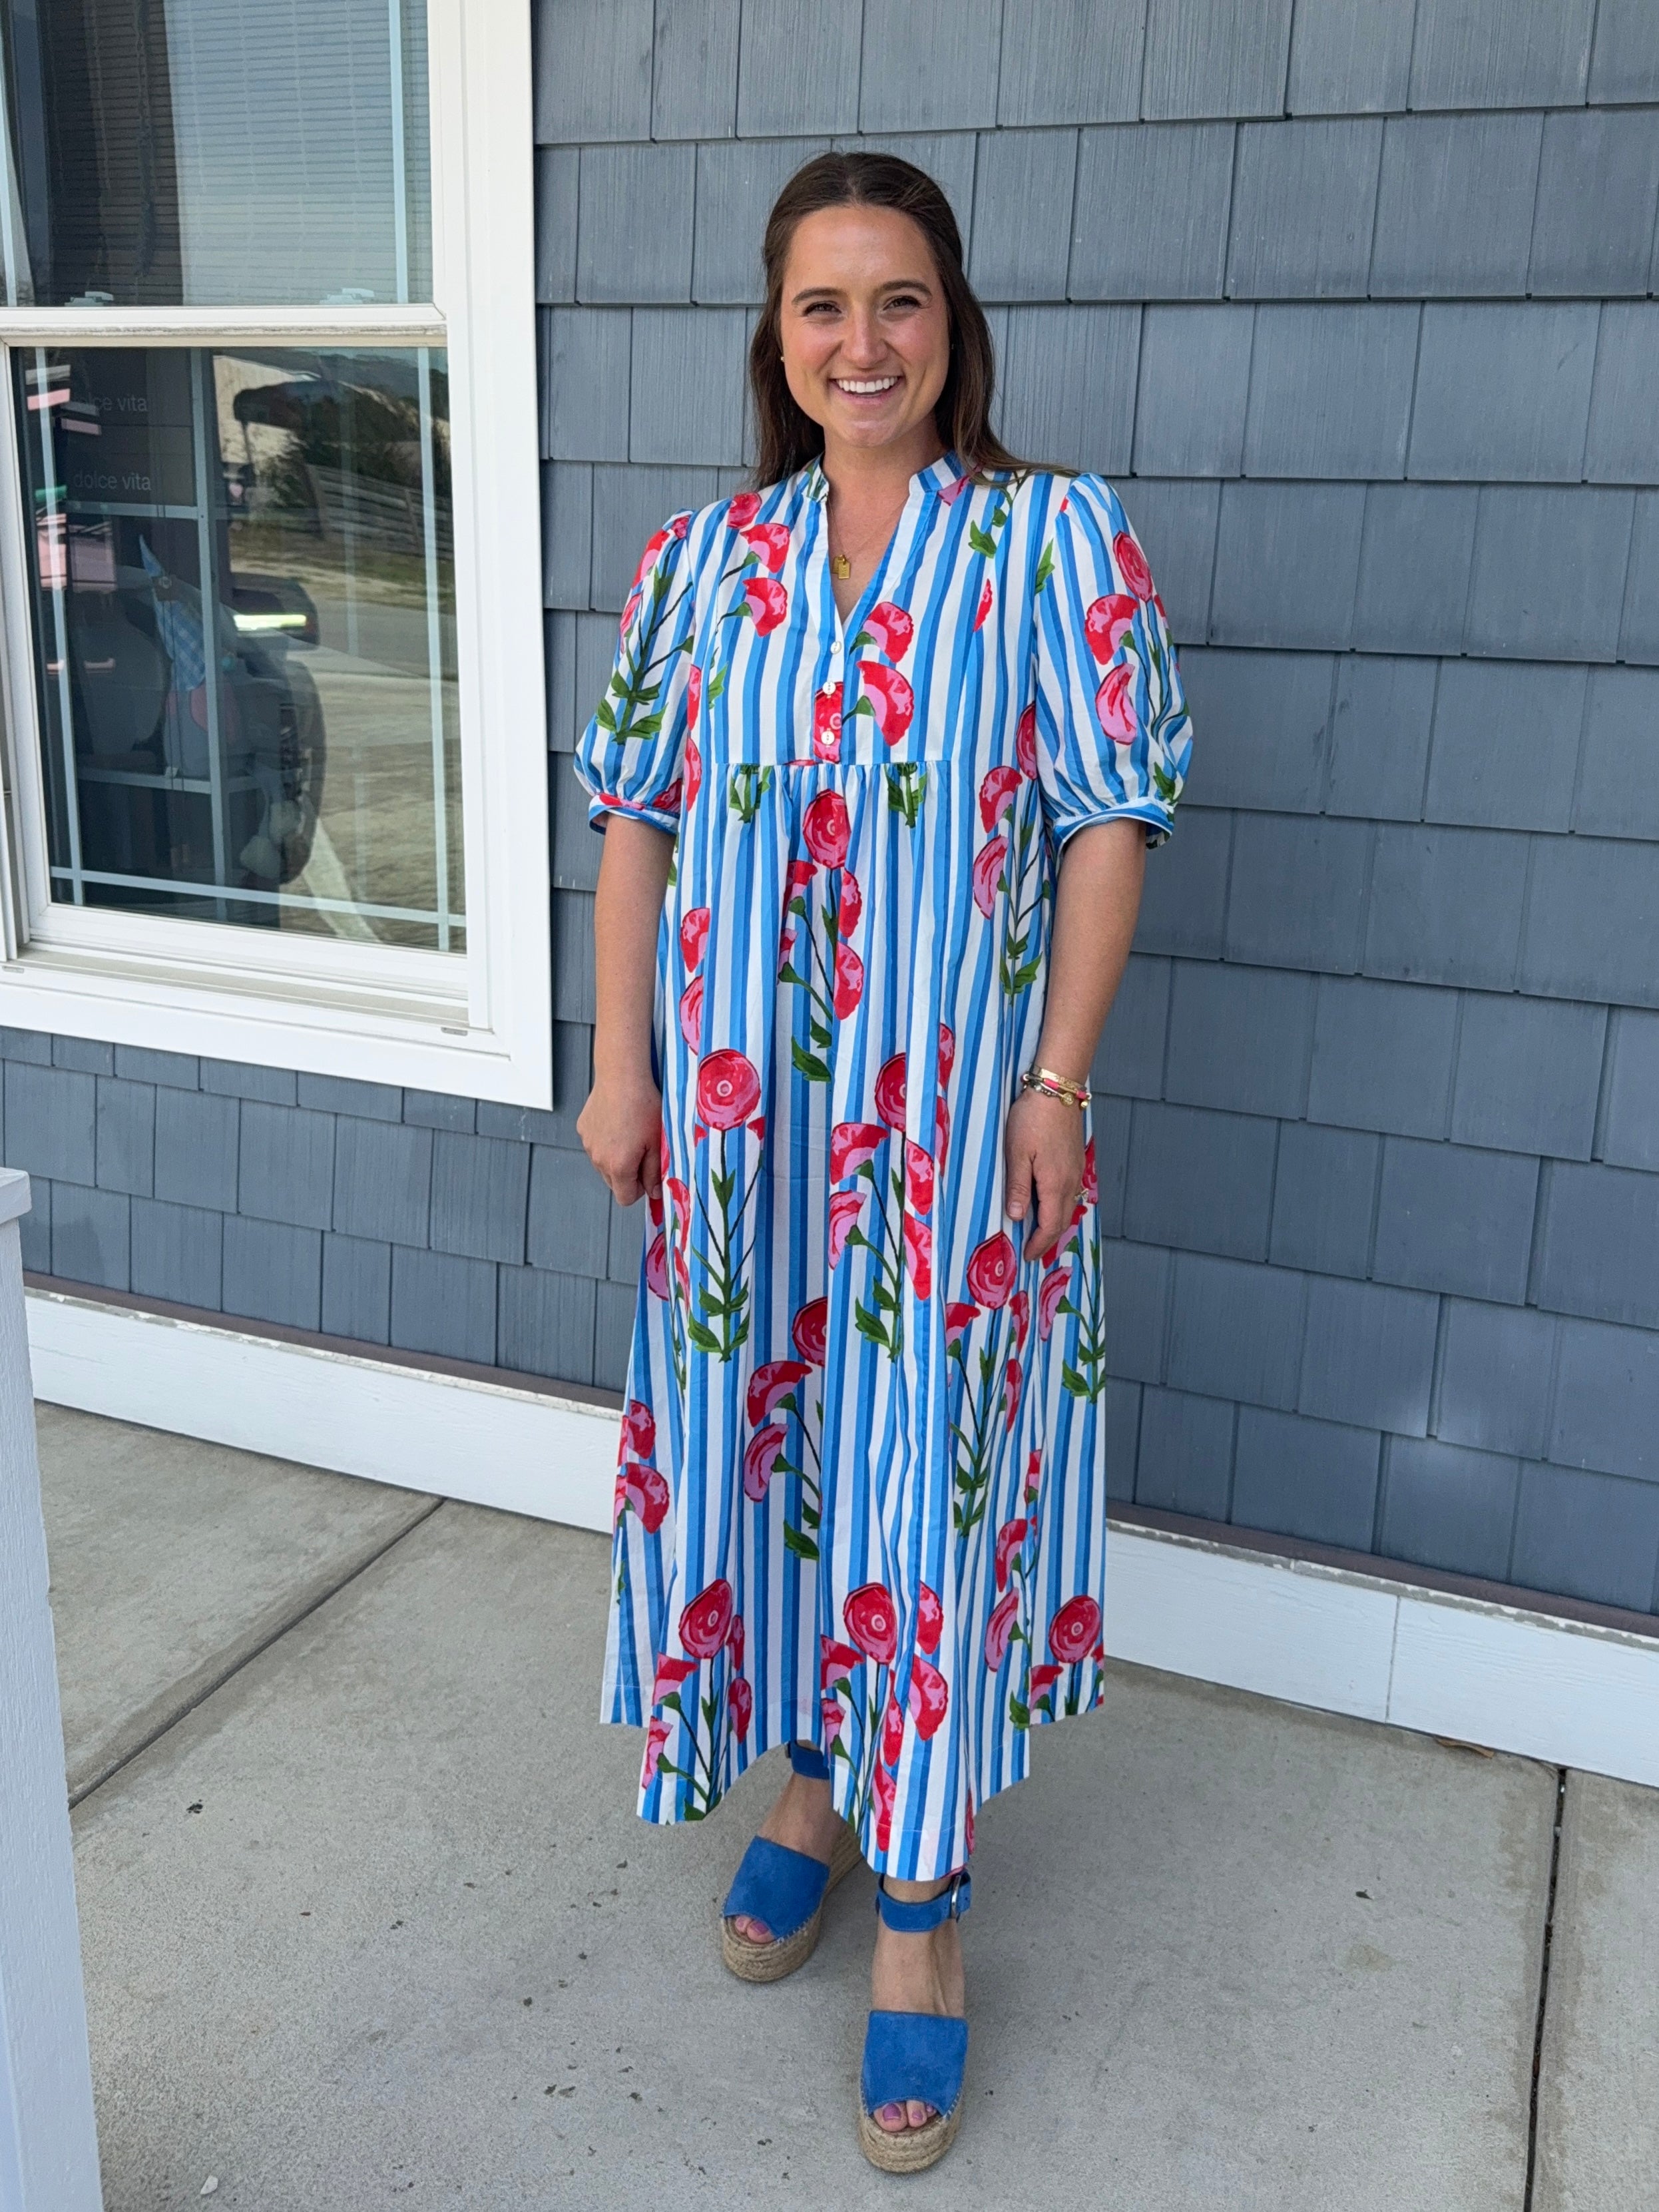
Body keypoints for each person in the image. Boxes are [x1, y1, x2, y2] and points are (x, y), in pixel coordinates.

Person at [575, 150, 1192, 2173]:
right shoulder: (701, 563)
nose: (863, 342)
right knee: (773, 1468)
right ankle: (817, 1781)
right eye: (823, 305)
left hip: (946, 1135)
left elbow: (1106, 819)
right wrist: (621, 1067)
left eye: (899, 300)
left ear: (953, 324)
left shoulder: (1046, 540)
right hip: (741, 1135)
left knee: (920, 1494)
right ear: (777, 336)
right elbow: (638, 823)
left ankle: (920, 1916)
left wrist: (1057, 1084)